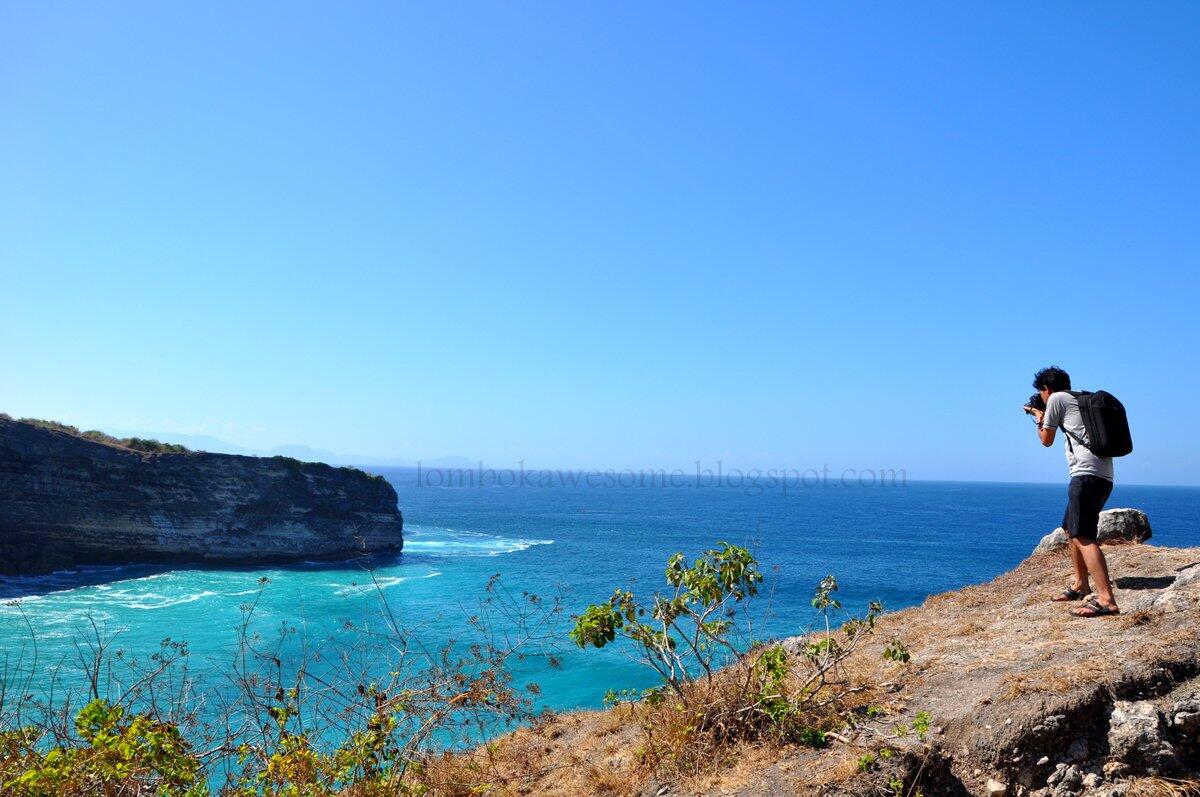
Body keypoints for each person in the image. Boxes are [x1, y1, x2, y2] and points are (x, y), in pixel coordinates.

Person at [1027, 366, 1119, 618]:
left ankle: (1106, 599)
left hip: (1085, 475)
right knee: (1070, 528)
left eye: (1041, 392)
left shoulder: (1057, 399)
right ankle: (1081, 584)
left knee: (1083, 534)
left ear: (1046, 389)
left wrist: (1038, 415)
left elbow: (1046, 439)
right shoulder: (1080, 399)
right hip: (1102, 475)